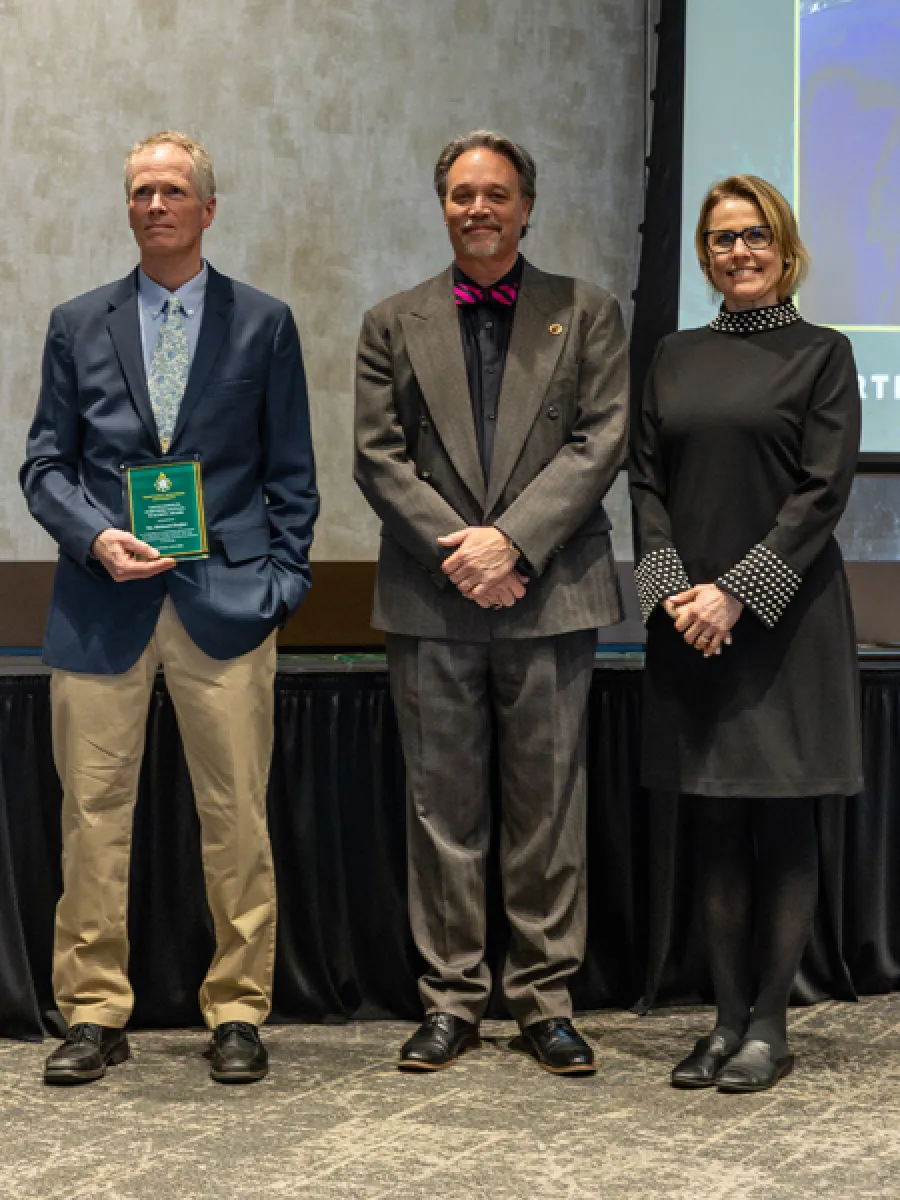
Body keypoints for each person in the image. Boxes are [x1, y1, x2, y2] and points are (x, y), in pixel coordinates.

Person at [21, 131, 318, 1086]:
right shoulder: (77, 322)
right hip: (100, 605)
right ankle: (93, 1014)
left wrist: (279, 588)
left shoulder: (264, 323)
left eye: (174, 190)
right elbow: (44, 465)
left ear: (208, 208)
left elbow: (291, 479)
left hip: (226, 607)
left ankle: (236, 1012)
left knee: (236, 816)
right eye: (142, 191)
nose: (156, 204)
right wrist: (93, 537)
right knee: (93, 816)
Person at [354, 130, 627, 1075]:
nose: (480, 208)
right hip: (435, 598)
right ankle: (452, 999)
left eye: (497, 194)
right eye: (463, 194)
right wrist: (468, 558)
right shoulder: (392, 320)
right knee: (442, 810)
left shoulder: (587, 312)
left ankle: (545, 1000)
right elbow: (377, 458)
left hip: (548, 591)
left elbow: (600, 443)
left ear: (526, 206)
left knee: (547, 807)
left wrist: (511, 544)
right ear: (442, 206)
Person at [630, 174, 862, 1092]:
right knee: (714, 819)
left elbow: (822, 493)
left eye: (755, 235)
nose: (739, 252)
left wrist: (736, 594)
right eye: (722, 239)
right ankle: (723, 1022)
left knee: (784, 820)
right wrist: (676, 593)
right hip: (690, 623)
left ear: (786, 245)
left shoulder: (825, 354)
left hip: (785, 619)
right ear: (704, 253)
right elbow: (644, 482)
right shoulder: (675, 354)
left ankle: (772, 1024)